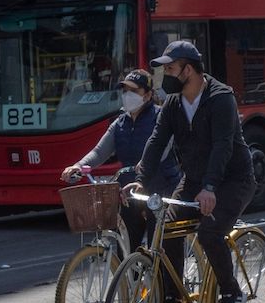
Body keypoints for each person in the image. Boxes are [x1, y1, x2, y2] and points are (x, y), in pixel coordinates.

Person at [126, 41, 256, 303]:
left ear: (188, 70)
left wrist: (210, 187)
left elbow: (222, 146)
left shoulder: (221, 98)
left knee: (210, 232)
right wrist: (140, 181)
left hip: (233, 180)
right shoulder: (173, 104)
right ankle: (172, 300)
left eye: (170, 69)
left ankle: (231, 292)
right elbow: (156, 141)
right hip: (195, 180)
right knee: (165, 227)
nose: (165, 76)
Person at [60, 69, 182, 250]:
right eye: (125, 91)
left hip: (160, 191)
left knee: (158, 251)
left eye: (134, 91)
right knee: (124, 250)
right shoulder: (119, 123)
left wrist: (145, 164)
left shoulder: (160, 117)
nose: (127, 95)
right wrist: (78, 166)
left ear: (148, 95)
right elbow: (99, 152)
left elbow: (162, 148)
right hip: (130, 192)